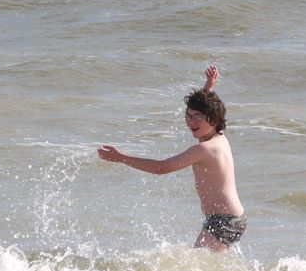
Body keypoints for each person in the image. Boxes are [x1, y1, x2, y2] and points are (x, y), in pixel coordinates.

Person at [97, 66, 246, 251]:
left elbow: (163, 168)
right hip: (230, 218)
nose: (191, 122)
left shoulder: (204, 148)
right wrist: (208, 87)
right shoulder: (217, 136)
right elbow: (209, 108)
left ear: (213, 120)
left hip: (224, 220)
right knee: (207, 269)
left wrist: (121, 158)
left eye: (198, 117)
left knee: (196, 269)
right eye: (189, 116)